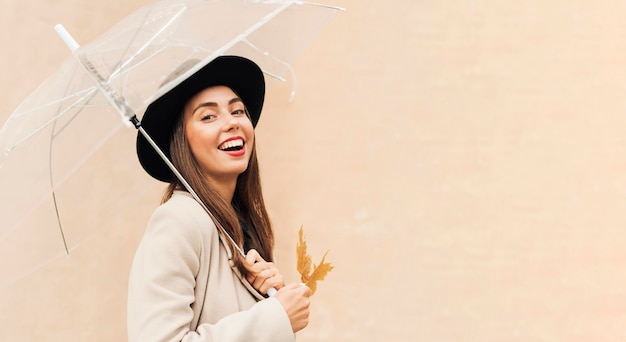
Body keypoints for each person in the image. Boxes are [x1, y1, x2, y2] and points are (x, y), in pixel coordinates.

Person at [127, 55, 311, 341]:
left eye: (238, 111)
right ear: (181, 140)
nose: (231, 123)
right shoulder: (178, 221)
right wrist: (275, 317)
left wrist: (268, 297)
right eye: (208, 116)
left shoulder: (238, 229)